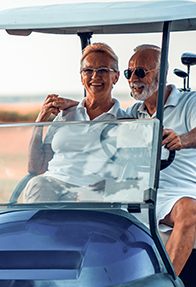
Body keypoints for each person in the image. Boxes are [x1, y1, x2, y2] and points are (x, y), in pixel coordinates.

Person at [123, 44, 196, 275]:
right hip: (141, 192)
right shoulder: (134, 113)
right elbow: (102, 120)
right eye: (129, 72)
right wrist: (71, 108)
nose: (133, 78)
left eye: (141, 72)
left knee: (188, 209)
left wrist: (182, 140)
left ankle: (165, 286)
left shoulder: (190, 101)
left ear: (161, 73)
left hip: (180, 192)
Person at [24, 43, 127, 202]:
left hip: (92, 192)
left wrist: (114, 185)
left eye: (103, 70)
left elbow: (132, 177)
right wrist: (40, 120)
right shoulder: (65, 115)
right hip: (53, 186)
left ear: (116, 77)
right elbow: (36, 167)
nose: (95, 76)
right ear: (81, 77)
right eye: (88, 70)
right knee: (36, 183)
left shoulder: (126, 122)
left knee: (87, 199)